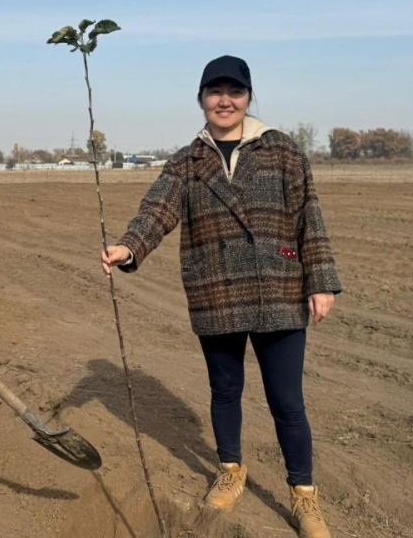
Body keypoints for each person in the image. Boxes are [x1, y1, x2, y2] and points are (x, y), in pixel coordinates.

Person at [101, 55, 340, 538]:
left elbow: (308, 216)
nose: (224, 100)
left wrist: (320, 281)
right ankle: (231, 469)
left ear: (248, 97)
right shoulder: (187, 161)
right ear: (202, 99)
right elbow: (157, 210)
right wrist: (129, 247)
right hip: (217, 290)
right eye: (215, 92)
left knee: (287, 401)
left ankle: (303, 495)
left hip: (278, 287)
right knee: (225, 390)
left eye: (234, 91)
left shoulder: (282, 150)